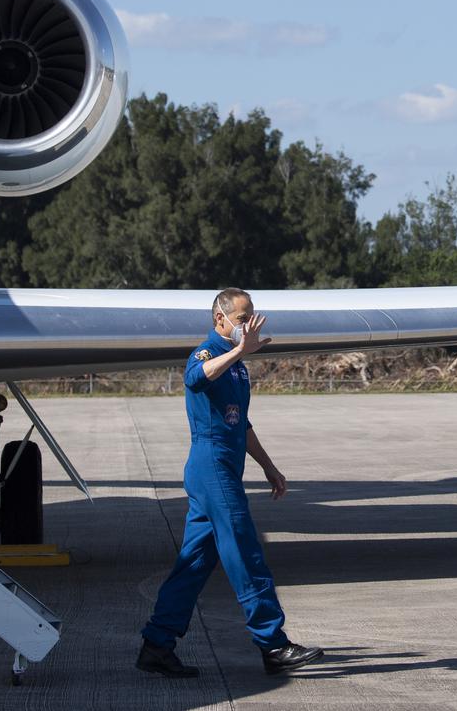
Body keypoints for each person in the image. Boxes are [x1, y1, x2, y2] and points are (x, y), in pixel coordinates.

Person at [138, 288, 322, 678]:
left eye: (252, 316)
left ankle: (157, 644)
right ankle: (272, 643)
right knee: (244, 551)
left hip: (226, 467)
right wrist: (239, 351)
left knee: (194, 564)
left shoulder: (238, 367)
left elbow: (242, 423)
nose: (249, 324)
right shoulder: (208, 353)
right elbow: (193, 378)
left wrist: (269, 467)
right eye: (242, 318)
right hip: (211, 468)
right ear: (220, 320)